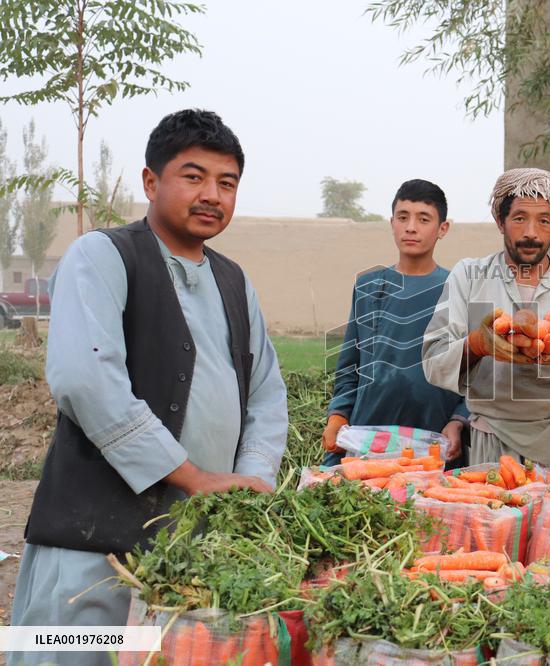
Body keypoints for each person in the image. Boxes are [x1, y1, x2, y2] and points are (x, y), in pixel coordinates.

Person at [8, 110, 287, 666]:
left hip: (190, 552)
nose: (212, 194)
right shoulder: (102, 256)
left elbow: (266, 396)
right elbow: (86, 381)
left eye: (226, 183)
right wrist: (193, 477)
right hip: (94, 544)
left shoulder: (233, 281)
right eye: (193, 176)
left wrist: (247, 486)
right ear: (150, 181)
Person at [421, 168, 550, 475]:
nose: (531, 232)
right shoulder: (469, 276)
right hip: (494, 445)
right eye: (519, 218)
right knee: (503, 519)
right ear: (500, 222)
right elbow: (434, 359)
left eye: (544, 220)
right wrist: (479, 344)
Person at [321, 179, 468, 465]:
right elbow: (350, 364)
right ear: (392, 223)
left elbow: (477, 374)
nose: (411, 227)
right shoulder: (368, 285)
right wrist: (338, 415)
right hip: (369, 436)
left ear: (443, 228)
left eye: (423, 219)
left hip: (434, 438)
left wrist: (459, 420)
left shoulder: (459, 288)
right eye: (403, 217)